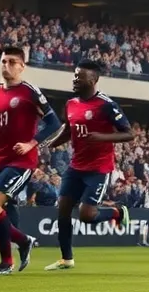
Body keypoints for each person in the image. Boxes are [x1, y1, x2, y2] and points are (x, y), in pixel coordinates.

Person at [0, 46, 64, 275]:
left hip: (21, 160)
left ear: (22, 66)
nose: (7, 66)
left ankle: (6, 262)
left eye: (12, 62)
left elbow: (54, 123)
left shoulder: (29, 91)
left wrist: (32, 143)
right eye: (4, 61)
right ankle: (24, 241)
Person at [45, 61, 134, 270]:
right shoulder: (71, 104)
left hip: (99, 168)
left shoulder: (106, 104)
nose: (75, 80)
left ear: (93, 80)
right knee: (63, 211)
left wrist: (102, 137)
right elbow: (68, 130)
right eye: (75, 76)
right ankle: (66, 259)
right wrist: (52, 142)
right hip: (76, 166)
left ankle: (117, 212)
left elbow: (129, 133)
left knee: (86, 215)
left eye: (80, 77)